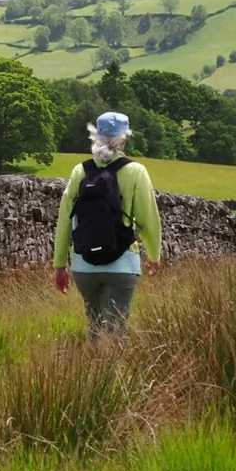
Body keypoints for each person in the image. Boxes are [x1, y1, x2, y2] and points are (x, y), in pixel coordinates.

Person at [52, 111, 162, 340]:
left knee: (95, 328)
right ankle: (111, 375)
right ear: (123, 138)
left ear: (96, 137)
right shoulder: (135, 171)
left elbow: (65, 219)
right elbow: (148, 218)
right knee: (115, 334)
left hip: (84, 265)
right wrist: (154, 255)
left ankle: (93, 373)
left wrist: (60, 264)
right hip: (122, 264)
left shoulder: (80, 171)